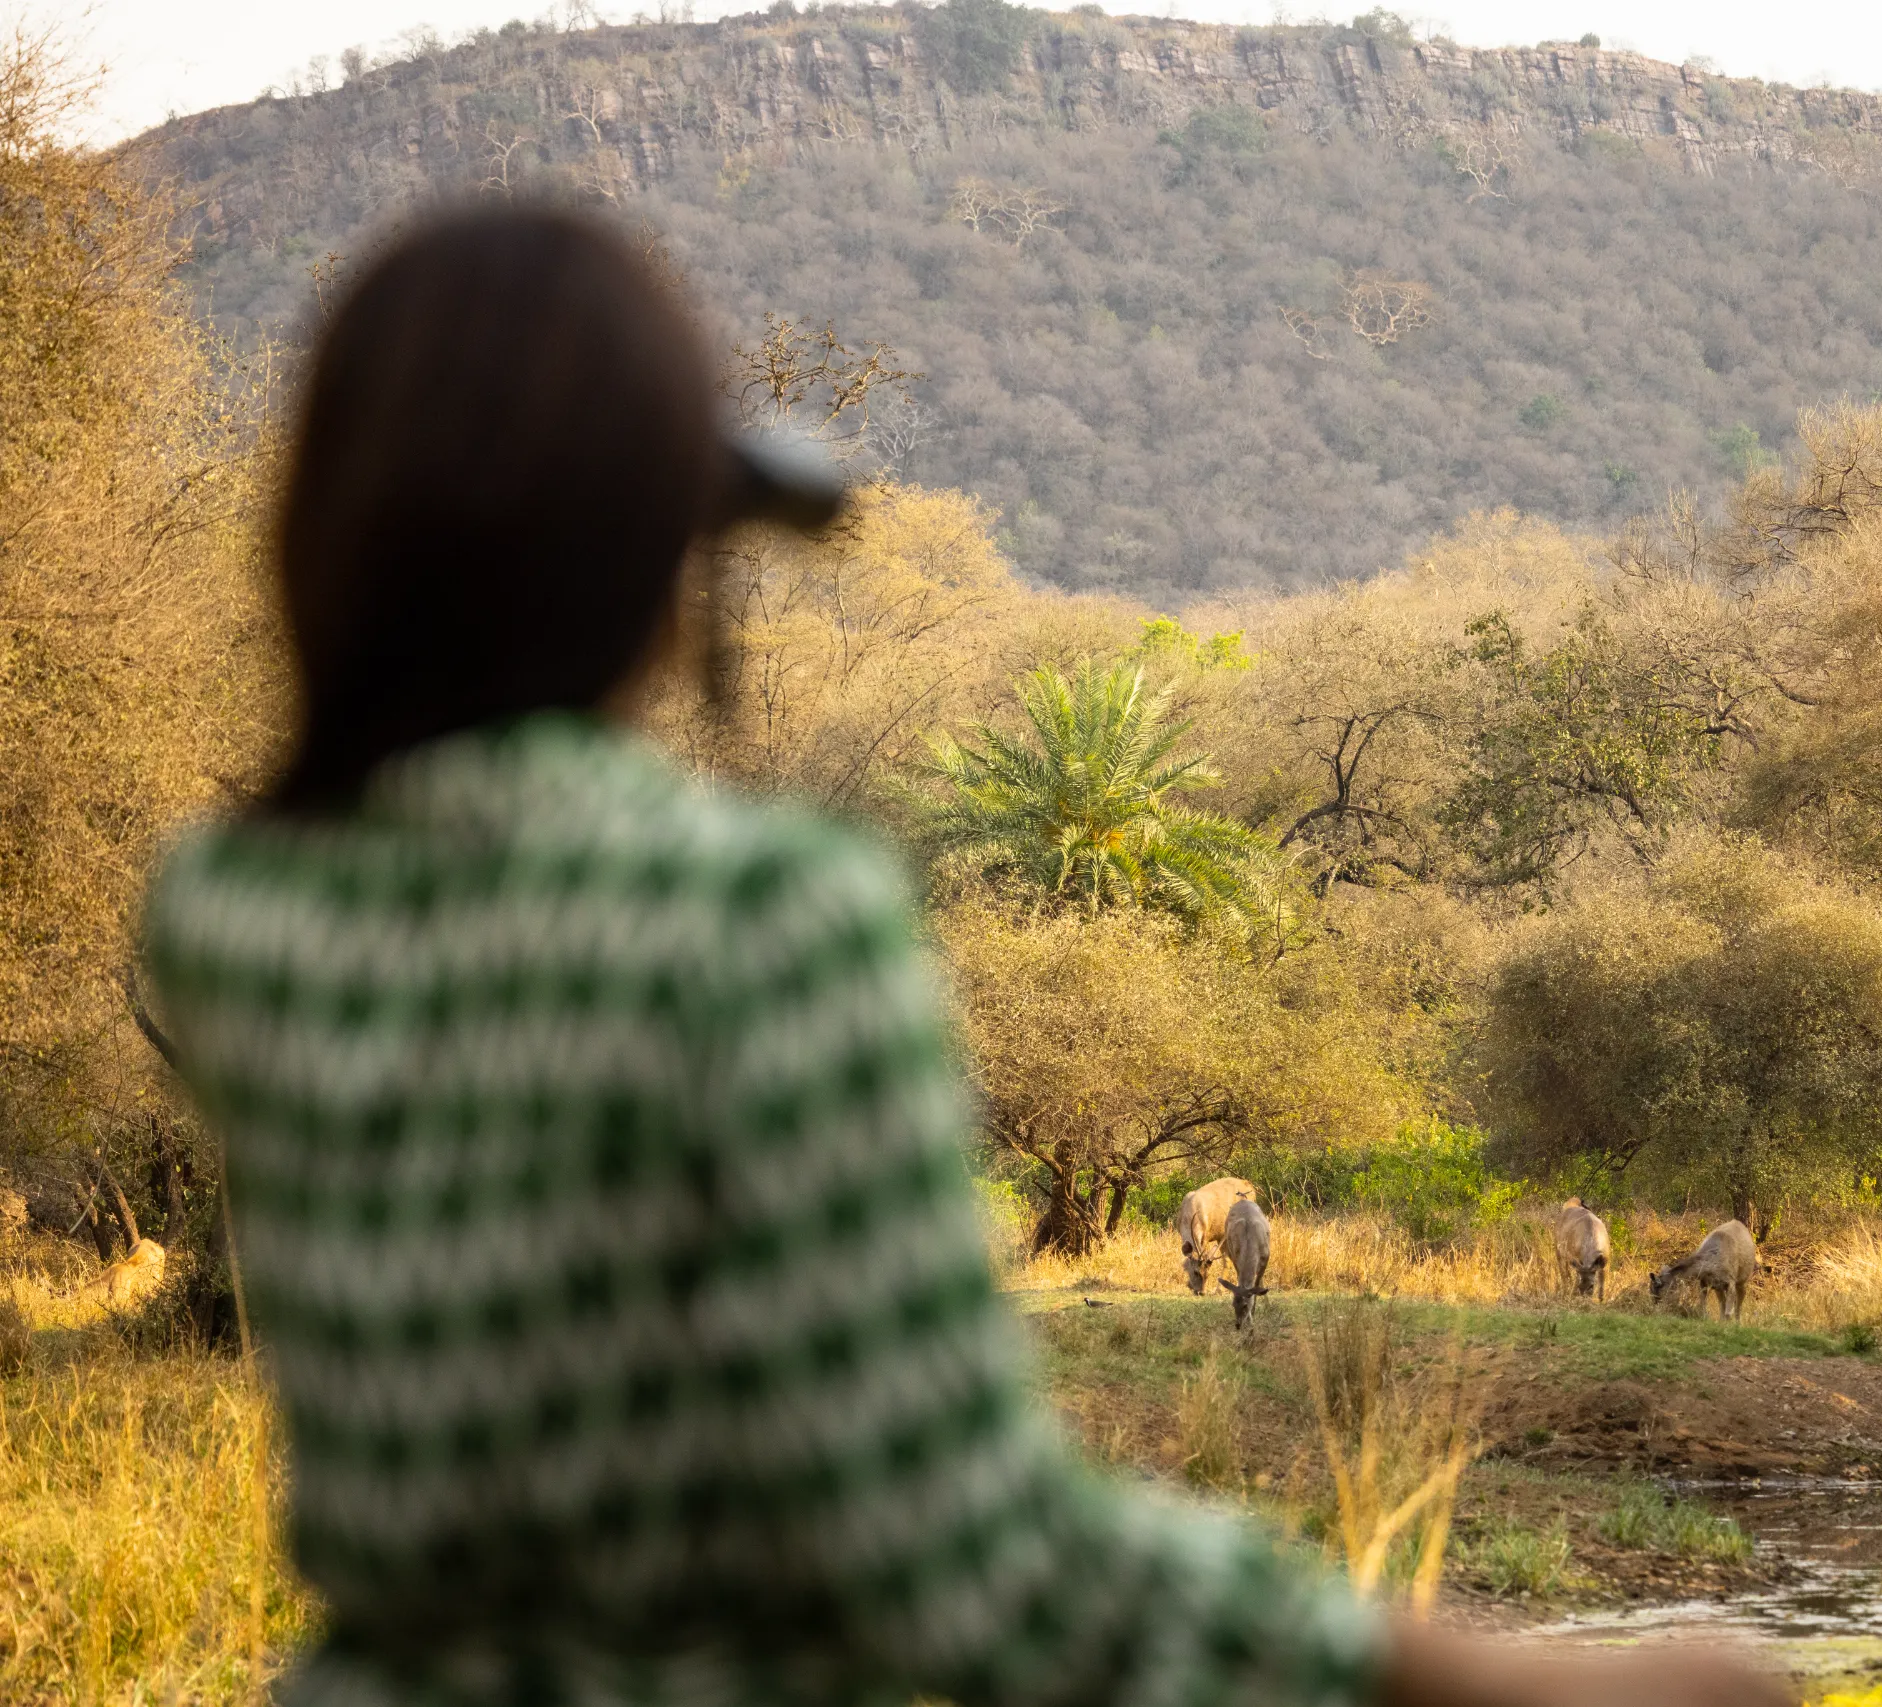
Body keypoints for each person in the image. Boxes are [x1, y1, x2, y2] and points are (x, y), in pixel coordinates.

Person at [145, 207, 1790, 1707]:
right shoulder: (763, 920)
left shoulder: (234, 918)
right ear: (656, 553)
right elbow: (980, 1567)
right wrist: (1524, 1686)